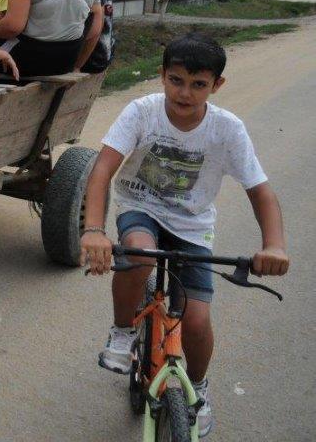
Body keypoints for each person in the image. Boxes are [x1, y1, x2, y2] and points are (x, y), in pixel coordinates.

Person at [81, 33, 289, 437]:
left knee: (195, 320)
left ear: (217, 86)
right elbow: (102, 170)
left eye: (198, 84)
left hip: (193, 226)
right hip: (142, 209)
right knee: (140, 253)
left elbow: (261, 192)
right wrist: (93, 230)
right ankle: (123, 331)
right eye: (176, 80)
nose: (185, 93)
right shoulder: (142, 112)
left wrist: (274, 245)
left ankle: (200, 386)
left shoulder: (227, 129)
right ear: (162, 76)